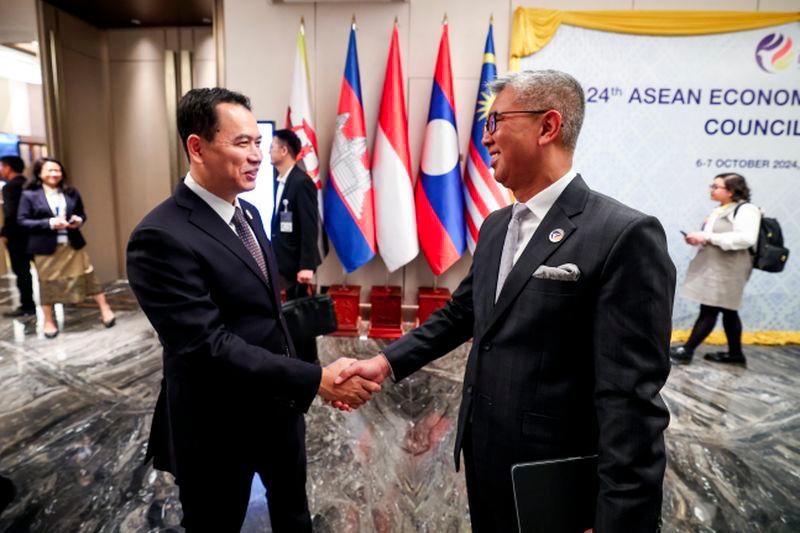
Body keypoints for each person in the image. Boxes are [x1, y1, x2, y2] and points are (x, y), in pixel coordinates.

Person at [336, 70, 675, 532]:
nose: (487, 137)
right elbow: (463, 314)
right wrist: (386, 363)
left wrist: (620, 518)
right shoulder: (496, 226)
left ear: (547, 126)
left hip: (557, 479)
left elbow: (631, 400)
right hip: (486, 459)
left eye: (495, 122)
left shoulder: (622, 235)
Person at [126, 87, 380, 532]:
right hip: (216, 427)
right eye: (242, 143)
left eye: (258, 143)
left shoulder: (248, 216)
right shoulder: (160, 236)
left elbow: (266, 316)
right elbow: (207, 345)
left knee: (294, 517)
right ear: (197, 147)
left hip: (278, 411)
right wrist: (315, 380)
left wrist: (306, 377)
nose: (257, 155)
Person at [17, 157, 115, 338]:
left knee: (88, 275)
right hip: (45, 249)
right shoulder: (30, 195)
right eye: (50, 170)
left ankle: (105, 308)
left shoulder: (71, 192)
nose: (55, 174)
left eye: (58, 170)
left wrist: (78, 220)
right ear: (39, 173)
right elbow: (22, 221)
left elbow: (82, 213)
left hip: (72, 244)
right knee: (47, 283)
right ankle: (47, 320)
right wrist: (50, 223)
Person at [670, 173, 760, 366]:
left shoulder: (747, 210)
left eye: (716, 186)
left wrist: (707, 237)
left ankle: (687, 350)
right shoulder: (721, 209)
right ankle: (735, 354)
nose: (712, 189)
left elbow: (746, 238)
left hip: (730, 268)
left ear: (731, 191)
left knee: (710, 308)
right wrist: (699, 238)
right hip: (718, 267)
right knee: (727, 310)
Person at [269, 128, 321, 363]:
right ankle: (293, 359)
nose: (268, 151)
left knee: (301, 315)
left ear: (284, 150)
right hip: (283, 261)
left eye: (272, 146)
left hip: (297, 266)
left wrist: (307, 265)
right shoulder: (280, 179)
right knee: (289, 315)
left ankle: (308, 364)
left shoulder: (301, 182)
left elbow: (310, 227)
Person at [1, 155, 36, 317]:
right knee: (42, 270)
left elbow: (11, 214)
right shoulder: (31, 184)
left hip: (17, 236)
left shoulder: (9, 187)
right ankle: (51, 302)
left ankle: (28, 306)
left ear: (8, 167)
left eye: (2, 166)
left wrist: (5, 233)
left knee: (22, 272)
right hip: (36, 233)